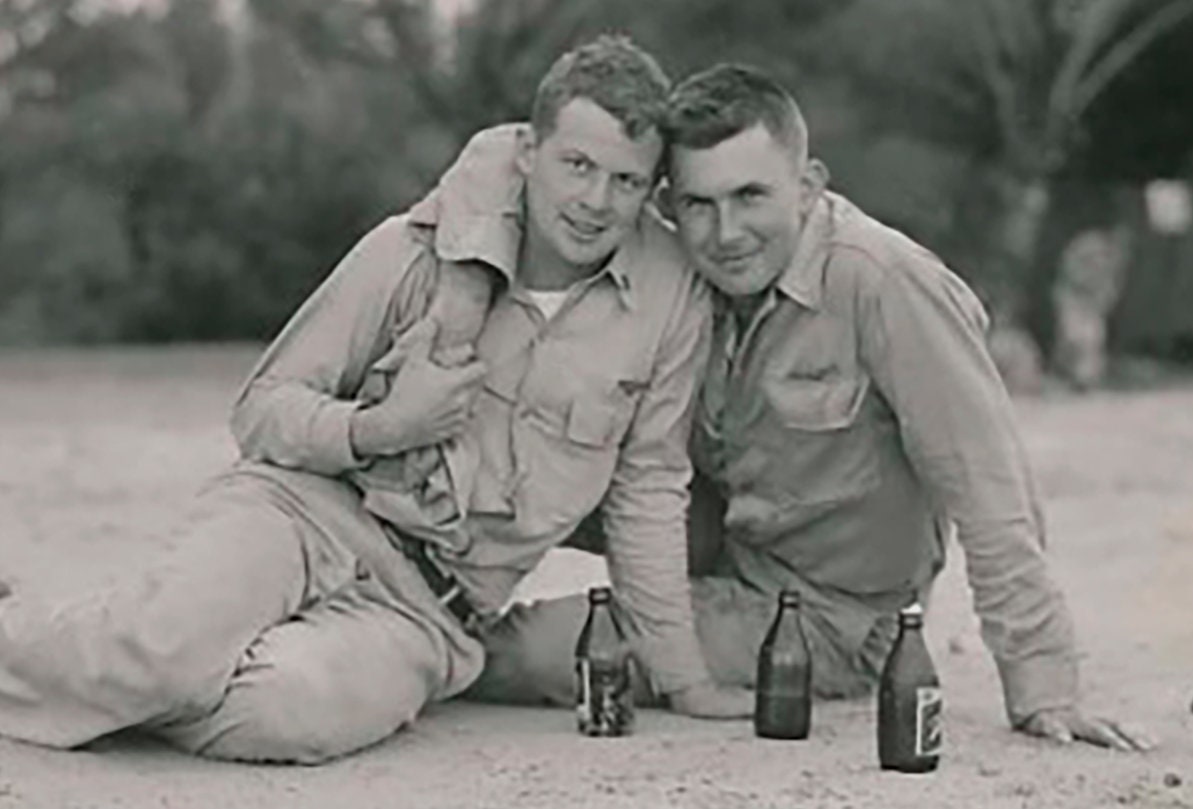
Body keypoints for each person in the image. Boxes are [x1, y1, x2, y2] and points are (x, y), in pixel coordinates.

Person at [0, 36, 750, 766]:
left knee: (285, 710)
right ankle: (92, 649)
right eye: (576, 165)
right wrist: (378, 427)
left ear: (650, 188)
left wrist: (680, 674)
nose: (594, 201)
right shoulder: (415, 249)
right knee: (161, 650)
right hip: (302, 510)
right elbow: (262, 410)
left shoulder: (668, 304)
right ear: (527, 151)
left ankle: (123, 671)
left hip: (428, 610)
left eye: (624, 181)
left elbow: (647, 489)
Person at [466, 64, 1153, 752]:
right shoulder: (683, 270)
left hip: (830, 618)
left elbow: (988, 485)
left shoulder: (883, 282)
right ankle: (395, 586)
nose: (725, 232)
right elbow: (517, 169)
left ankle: (419, 649)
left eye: (750, 196)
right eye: (699, 204)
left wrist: (1042, 683)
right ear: (670, 205)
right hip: (720, 538)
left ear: (809, 185)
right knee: (524, 448)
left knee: (527, 652)